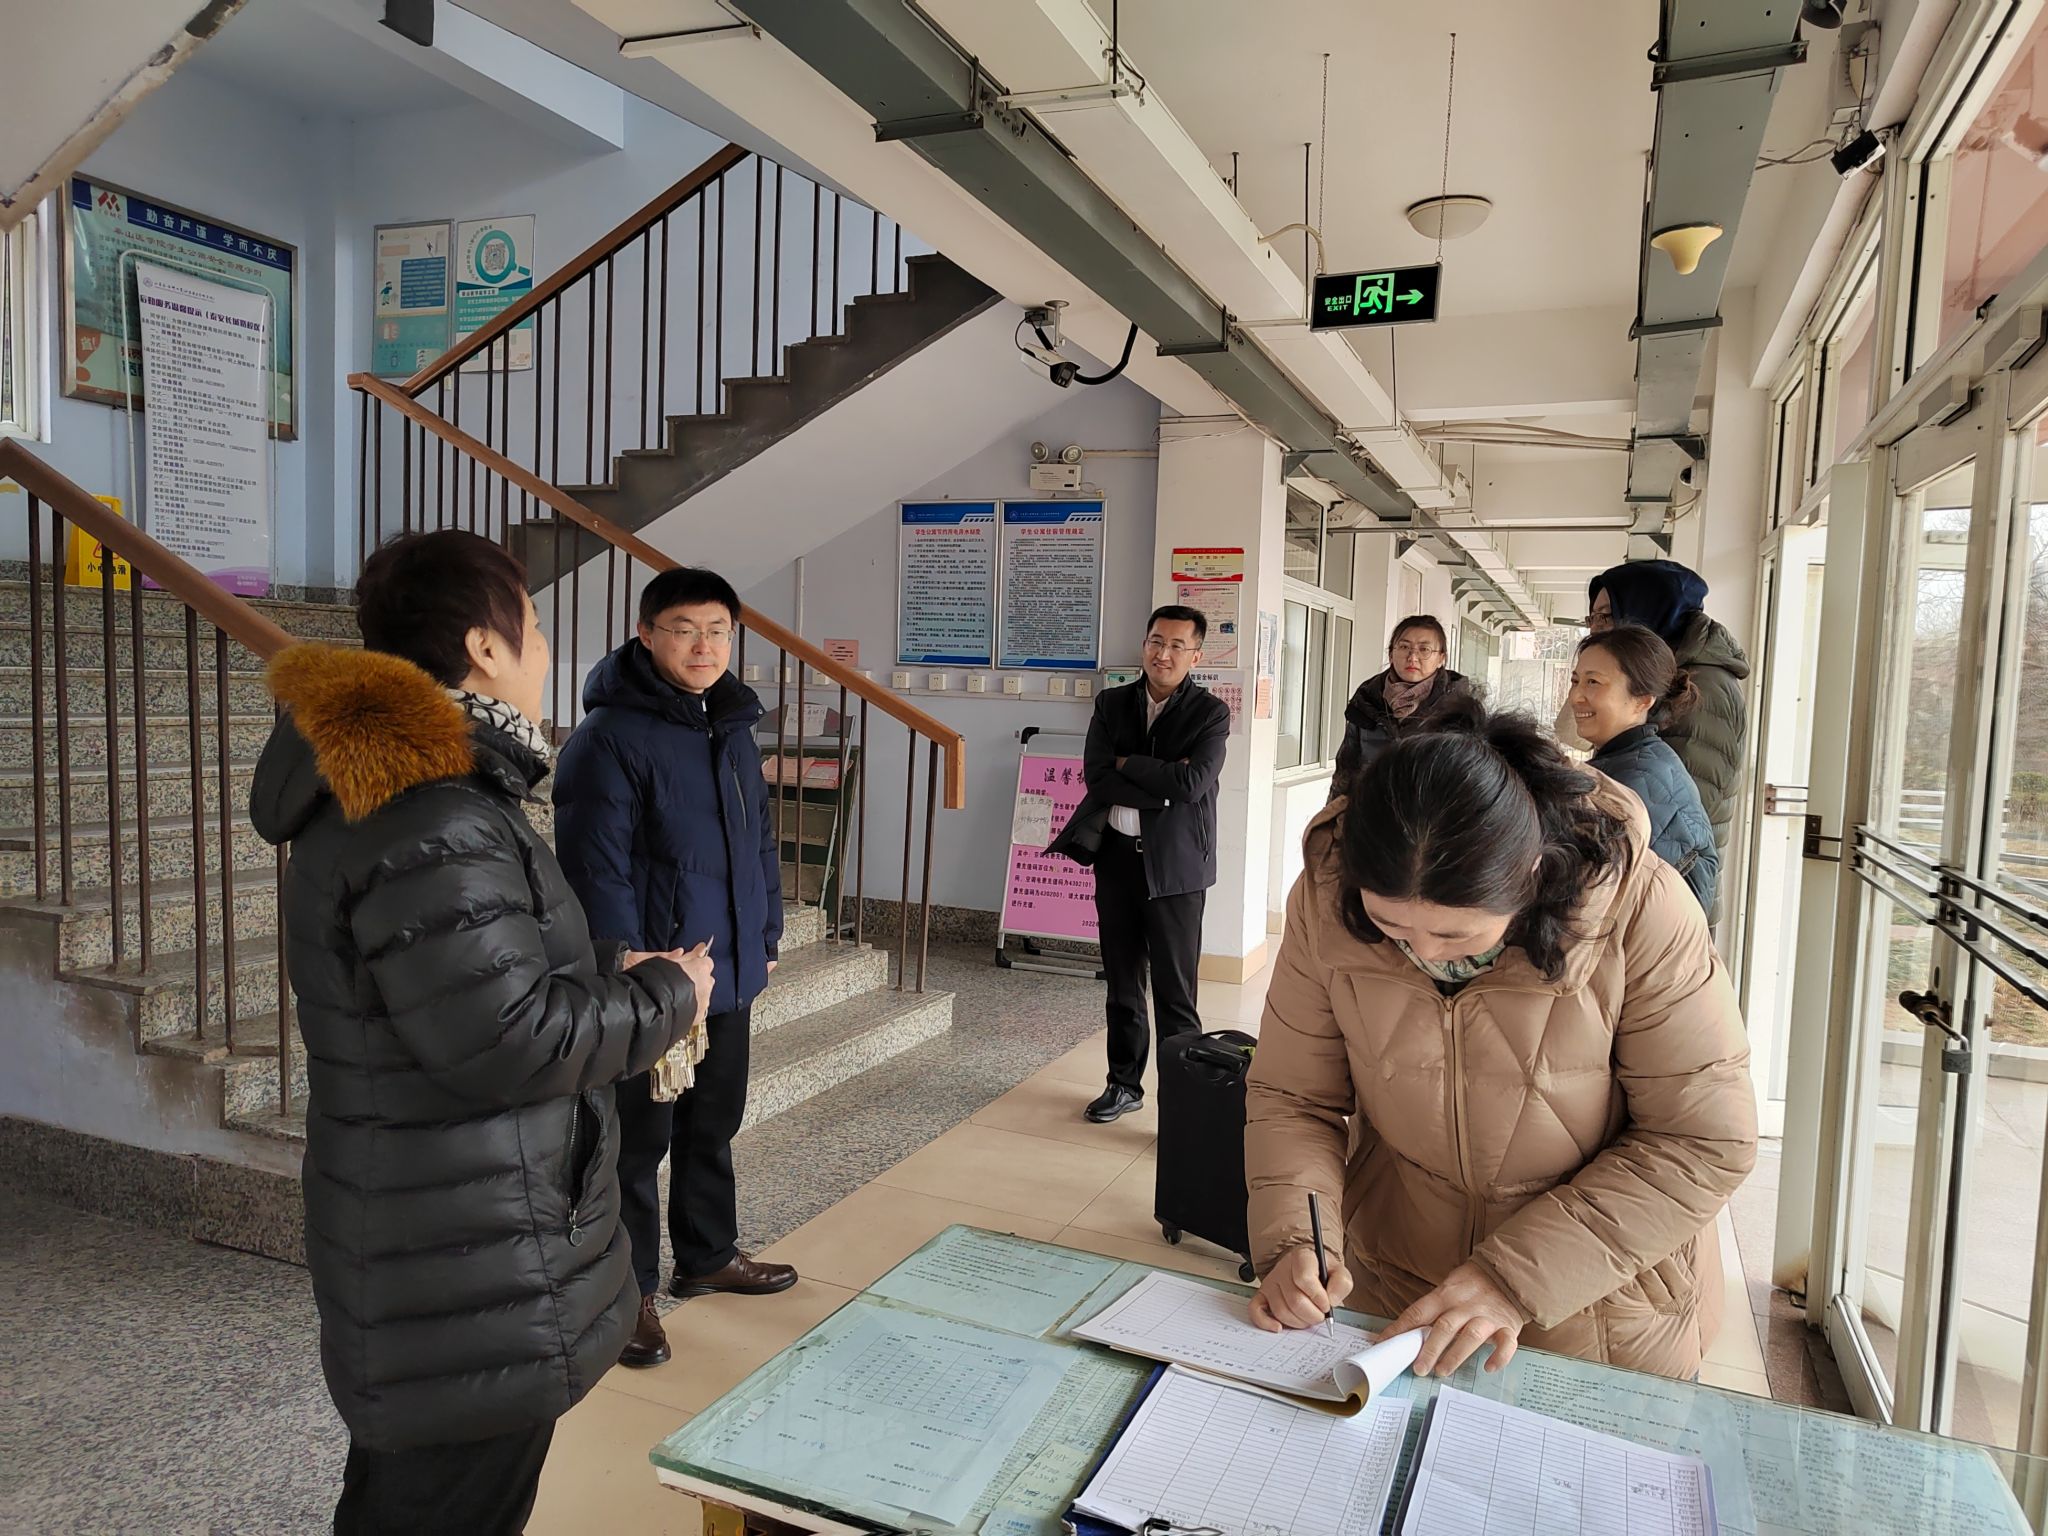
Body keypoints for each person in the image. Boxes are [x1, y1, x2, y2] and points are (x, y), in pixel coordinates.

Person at [251, 530, 712, 1534]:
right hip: (462, 1255)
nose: (543, 648)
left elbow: (462, 978)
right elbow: (506, 1040)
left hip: (450, 1233)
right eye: (533, 627)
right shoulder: (429, 811)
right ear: (484, 647)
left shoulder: (423, 788)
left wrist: (604, 968)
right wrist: (667, 996)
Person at [1244, 707, 1754, 1382]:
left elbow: (1702, 1140)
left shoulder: (1641, 910)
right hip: (1397, 1282)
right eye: (1391, 927)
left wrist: (1511, 1279)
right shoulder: (1326, 898)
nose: (1422, 954)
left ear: (1532, 877)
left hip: (1600, 1308)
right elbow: (1293, 1096)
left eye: (1455, 936)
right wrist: (1294, 1239)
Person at [553, 565, 794, 1372]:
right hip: (653, 983)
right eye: (685, 630)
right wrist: (625, 959)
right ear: (646, 634)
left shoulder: (731, 726)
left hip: (725, 969)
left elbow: (759, 843)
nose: (703, 647)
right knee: (634, 1146)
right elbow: (594, 865)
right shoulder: (608, 737)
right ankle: (627, 1295)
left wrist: (764, 932)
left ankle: (708, 1254)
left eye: (718, 631)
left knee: (712, 1122)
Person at [1048, 605, 1231, 1124]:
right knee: (1123, 985)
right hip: (1116, 863)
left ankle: (1183, 1106)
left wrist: (1130, 764)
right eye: (1155, 641)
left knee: (1176, 994)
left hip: (1176, 870)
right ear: (1144, 644)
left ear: (1196, 656)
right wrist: (1161, 781)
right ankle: (1123, 1085)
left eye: (1176, 646)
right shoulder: (1112, 703)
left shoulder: (1211, 713)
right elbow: (1098, 778)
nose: (1163, 654)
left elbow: (1192, 784)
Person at [1560, 561, 1750, 913]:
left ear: (1644, 613)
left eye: (1606, 616)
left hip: (1672, 896)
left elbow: (1675, 811)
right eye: (1592, 617)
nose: (1596, 628)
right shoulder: (1662, 678)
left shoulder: (1704, 686)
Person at [1569, 627, 1720, 912]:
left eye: (1593, 682)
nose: (1576, 696)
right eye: (1575, 681)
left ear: (1643, 700)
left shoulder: (1636, 779)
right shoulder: (1635, 758)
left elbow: (1583, 894)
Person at [1329, 615, 1474, 802]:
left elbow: (1470, 775)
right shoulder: (1366, 700)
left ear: (1441, 658)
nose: (1412, 657)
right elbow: (1346, 768)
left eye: (1424, 649)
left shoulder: (1460, 707)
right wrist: (1335, 811)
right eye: (1404, 647)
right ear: (1391, 654)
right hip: (1371, 809)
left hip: (1430, 814)